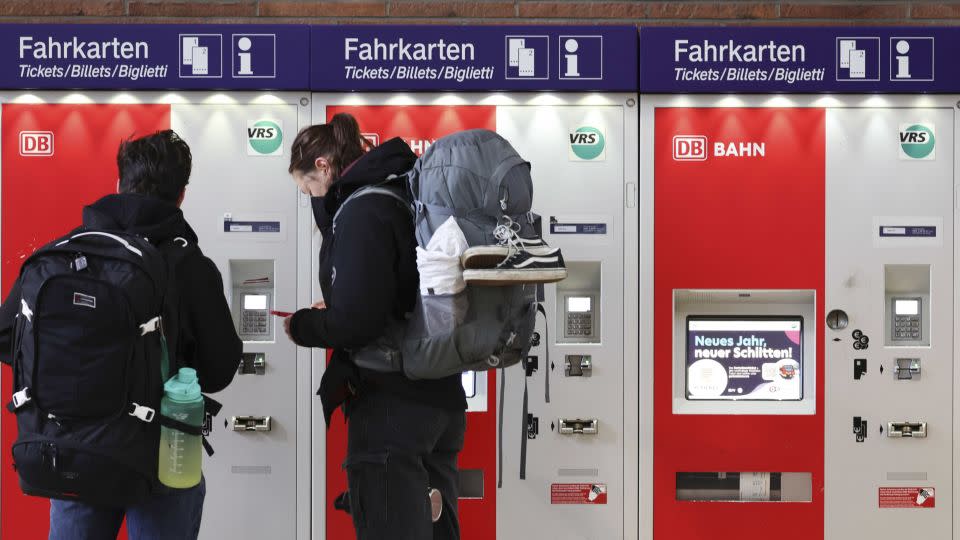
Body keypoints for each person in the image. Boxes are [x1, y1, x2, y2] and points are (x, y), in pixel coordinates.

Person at [0, 130, 242, 539]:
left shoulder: (65, 253)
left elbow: (8, 337)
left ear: (118, 184)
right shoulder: (191, 265)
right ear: (181, 195)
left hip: (73, 451)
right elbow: (219, 369)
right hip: (161, 460)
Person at [284, 113, 467, 539]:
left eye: (308, 186)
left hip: (392, 404)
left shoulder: (363, 208)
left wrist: (305, 325)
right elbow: (390, 297)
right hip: (440, 396)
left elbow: (356, 324)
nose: (312, 197)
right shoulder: (401, 194)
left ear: (324, 167)